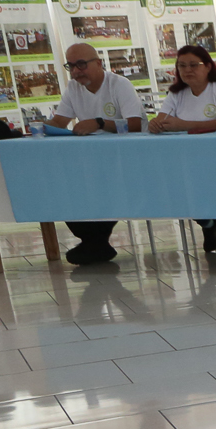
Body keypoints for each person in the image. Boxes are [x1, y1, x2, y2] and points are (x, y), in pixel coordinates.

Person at [47, 42, 145, 265]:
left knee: (102, 186)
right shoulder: (73, 88)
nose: (76, 71)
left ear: (99, 63)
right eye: (70, 66)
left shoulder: (120, 85)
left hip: (124, 157)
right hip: (90, 159)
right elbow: (59, 121)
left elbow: (135, 125)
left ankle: (96, 242)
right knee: (65, 185)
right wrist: (37, 129)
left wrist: (100, 123)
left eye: (81, 64)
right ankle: (94, 241)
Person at [149, 44, 216, 259]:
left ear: (209, 67)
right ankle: (209, 223)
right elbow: (161, 119)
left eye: (194, 65)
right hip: (186, 158)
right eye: (182, 66)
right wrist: (155, 124)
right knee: (175, 187)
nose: (187, 70)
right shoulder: (177, 94)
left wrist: (183, 125)